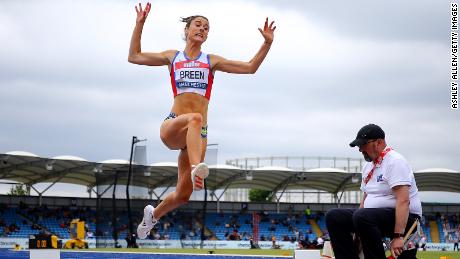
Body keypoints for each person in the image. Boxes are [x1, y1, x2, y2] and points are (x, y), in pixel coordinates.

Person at [129, 2, 276, 239]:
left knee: (183, 195)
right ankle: (198, 167)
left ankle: (152, 216)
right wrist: (140, 23)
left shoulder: (212, 61)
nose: (202, 29)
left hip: (198, 136)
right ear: (186, 30)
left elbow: (250, 67)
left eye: (206, 27)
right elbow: (134, 56)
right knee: (195, 118)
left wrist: (267, 43)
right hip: (174, 124)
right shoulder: (172, 57)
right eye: (198, 25)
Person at [325, 124, 422, 259]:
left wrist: (398, 236)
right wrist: (357, 225)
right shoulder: (368, 166)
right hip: (372, 217)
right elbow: (365, 198)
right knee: (334, 216)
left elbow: (403, 200)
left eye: (363, 144)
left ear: (379, 142)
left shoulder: (395, 161)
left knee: (363, 216)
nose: (360, 149)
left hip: (405, 218)